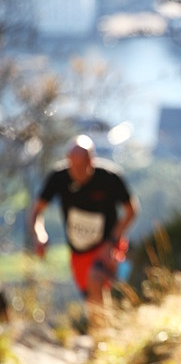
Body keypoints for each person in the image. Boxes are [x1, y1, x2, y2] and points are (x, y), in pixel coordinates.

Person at [29, 135, 138, 328]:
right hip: (79, 252)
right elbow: (36, 212)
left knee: (96, 280)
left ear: (91, 161)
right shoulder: (59, 178)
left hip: (108, 245)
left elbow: (131, 211)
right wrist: (40, 235)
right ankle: (105, 331)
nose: (76, 173)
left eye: (81, 167)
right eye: (72, 166)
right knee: (90, 296)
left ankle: (102, 336)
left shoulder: (109, 178)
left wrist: (111, 241)